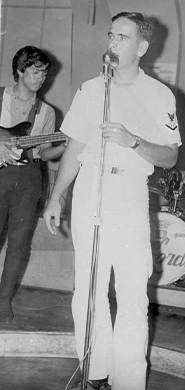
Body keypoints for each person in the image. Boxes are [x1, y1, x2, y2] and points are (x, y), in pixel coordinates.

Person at [44, 11, 181, 390]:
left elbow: (171, 156)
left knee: (132, 293)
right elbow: (75, 147)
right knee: (87, 291)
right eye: (111, 35)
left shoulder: (159, 94)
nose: (113, 43)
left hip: (129, 196)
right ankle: (94, 373)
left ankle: (128, 382)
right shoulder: (91, 89)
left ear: (142, 46)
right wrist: (57, 197)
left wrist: (133, 140)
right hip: (91, 191)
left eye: (122, 37)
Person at [0, 46, 66, 323]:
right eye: (36, 71)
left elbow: (45, 152)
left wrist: (67, 146)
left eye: (45, 73)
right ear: (20, 70)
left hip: (28, 179)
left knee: (19, 244)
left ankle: (3, 302)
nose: (41, 78)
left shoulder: (47, 112)